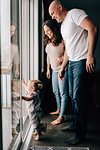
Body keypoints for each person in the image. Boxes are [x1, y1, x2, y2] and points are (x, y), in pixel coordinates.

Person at [49, 0, 98, 145]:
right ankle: (76, 125)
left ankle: (80, 135)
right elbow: (68, 51)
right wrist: (63, 67)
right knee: (72, 96)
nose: (52, 17)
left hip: (82, 62)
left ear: (59, 7)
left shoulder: (74, 14)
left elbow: (93, 28)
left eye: (53, 13)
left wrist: (90, 55)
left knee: (79, 98)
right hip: (72, 63)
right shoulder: (64, 26)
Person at [43, 19, 68, 125]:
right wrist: (48, 69)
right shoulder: (48, 41)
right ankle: (58, 109)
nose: (46, 33)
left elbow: (69, 52)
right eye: (45, 31)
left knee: (63, 93)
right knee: (55, 91)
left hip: (63, 69)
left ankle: (62, 116)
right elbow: (48, 56)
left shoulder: (62, 40)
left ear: (53, 29)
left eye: (48, 30)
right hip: (53, 70)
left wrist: (62, 59)